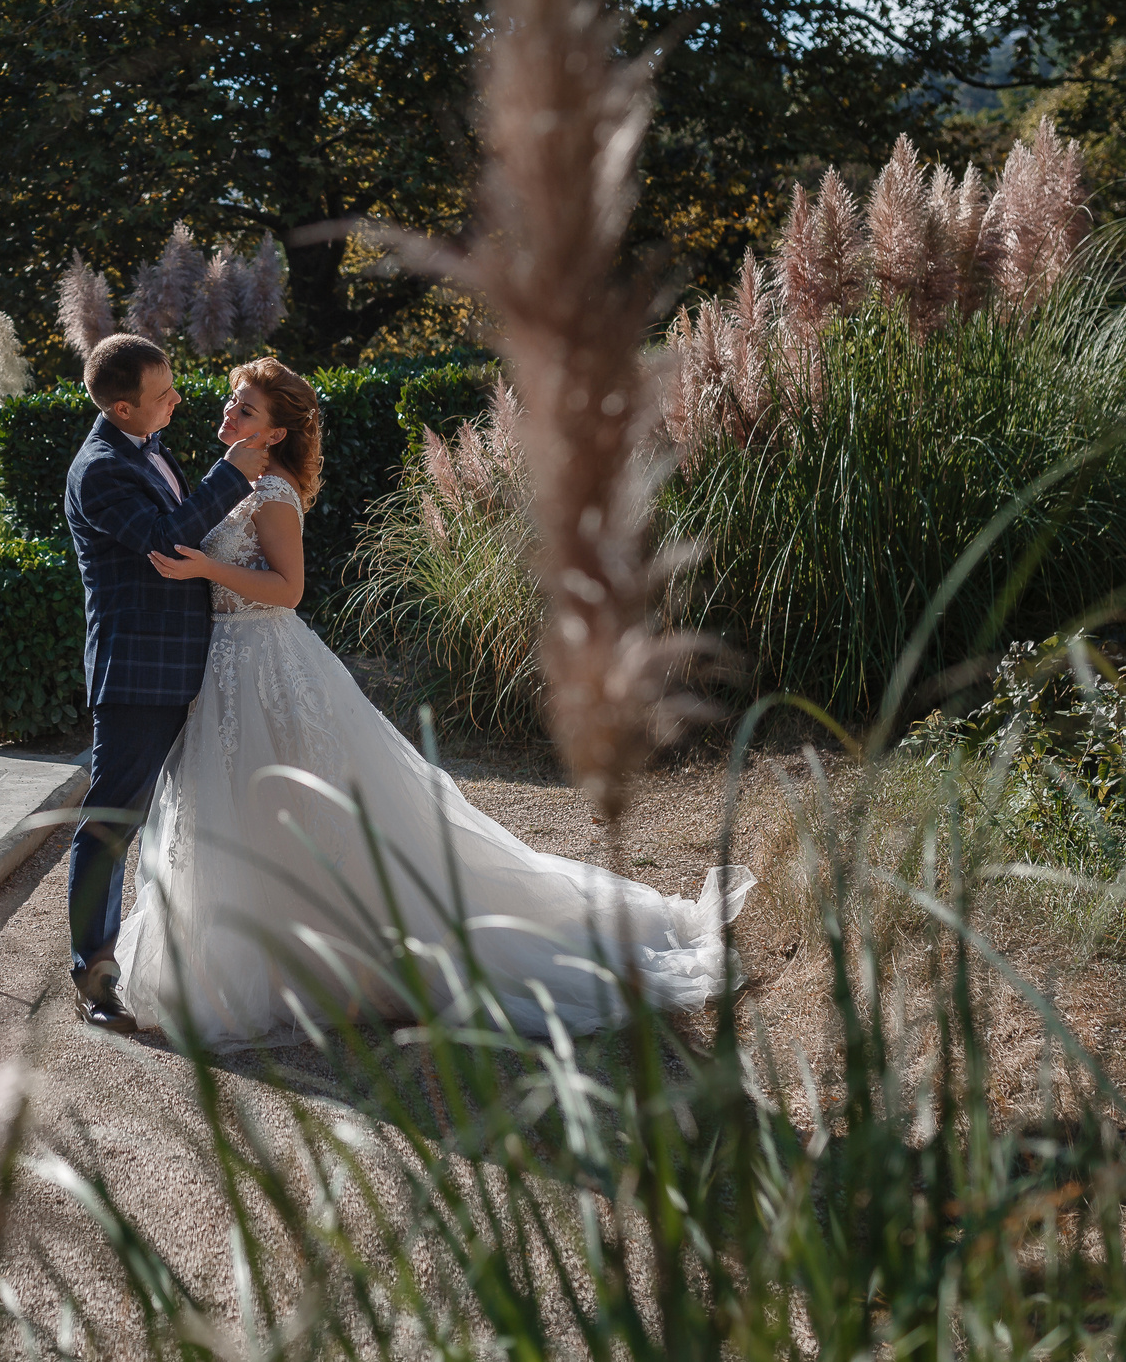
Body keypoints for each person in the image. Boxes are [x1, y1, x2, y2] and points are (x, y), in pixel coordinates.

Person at [111, 358, 755, 1046]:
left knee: (317, 817)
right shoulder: (235, 481)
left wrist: (208, 567)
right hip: (227, 671)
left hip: (268, 661)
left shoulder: (270, 490)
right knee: (250, 818)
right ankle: (274, 963)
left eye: (244, 408)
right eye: (233, 403)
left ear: (274, 434)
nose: (228, 414)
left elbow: (289, 589)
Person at [63, 333, 268, 1030]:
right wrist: (232, 474)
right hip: (139, 675)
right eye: (163, 393)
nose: (180, 397)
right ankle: (93, 980)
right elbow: (166, 544)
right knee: (112, 822)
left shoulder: (144, 445)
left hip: (191, 664)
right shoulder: (99, 469)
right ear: (122, 407)